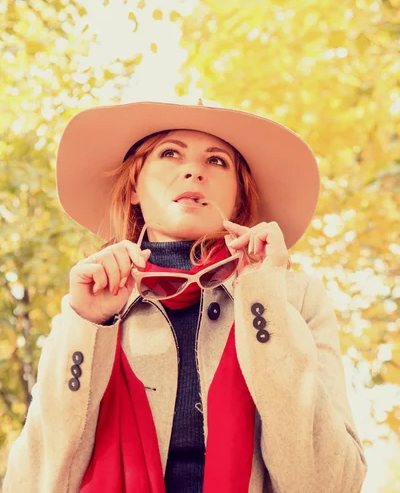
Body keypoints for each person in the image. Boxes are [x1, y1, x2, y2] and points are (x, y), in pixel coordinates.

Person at [3, 98, 368, 493]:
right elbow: (34, 482)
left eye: (217, 161)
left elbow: (330, 483)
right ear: (133, 191)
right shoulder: (90, 304)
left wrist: (263, 298)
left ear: (239, 200)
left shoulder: (294, 297)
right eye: (170, 153)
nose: (193, 170)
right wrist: (88, 326)